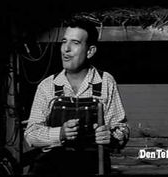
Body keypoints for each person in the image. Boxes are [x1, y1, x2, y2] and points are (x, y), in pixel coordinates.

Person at [24, 17, 129, 176]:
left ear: (90, 51)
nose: (66, 49)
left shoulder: (105, 81)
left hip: (92, 168)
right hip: (51, 169)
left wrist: (113, 136)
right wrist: (60, 133)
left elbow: (122, 128)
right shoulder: (48, 86)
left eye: (75, 43)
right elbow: (31, 134)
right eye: (64, 41)